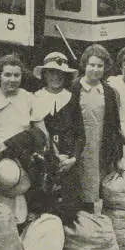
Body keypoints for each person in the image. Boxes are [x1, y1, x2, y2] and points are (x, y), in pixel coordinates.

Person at [30, 51, 84, 220]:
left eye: (60, 73)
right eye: (52, 72)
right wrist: (49, 157)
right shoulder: (34, 98)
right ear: (44, 75)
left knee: (68, 211)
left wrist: (73, 159)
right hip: (43, 163)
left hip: (67, 163)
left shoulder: (71, 99)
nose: (56, 77)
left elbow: (80, 134)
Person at [71, 44, 123, 212]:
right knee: (80, 186)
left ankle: (95, 225)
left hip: (101, 145)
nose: (95, 69)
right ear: (84, 65)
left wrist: (118, 155)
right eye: (91, 65)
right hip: (80, 146)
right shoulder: (74, 88)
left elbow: (115, 125)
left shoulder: (108, 92)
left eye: (99, 66)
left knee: (99, 187)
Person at [0, 55, 48, 161]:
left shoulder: (29, 99)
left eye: (16, 75)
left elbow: (42, 133)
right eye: (7, 75)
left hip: (23, 155)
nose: (12, 79)